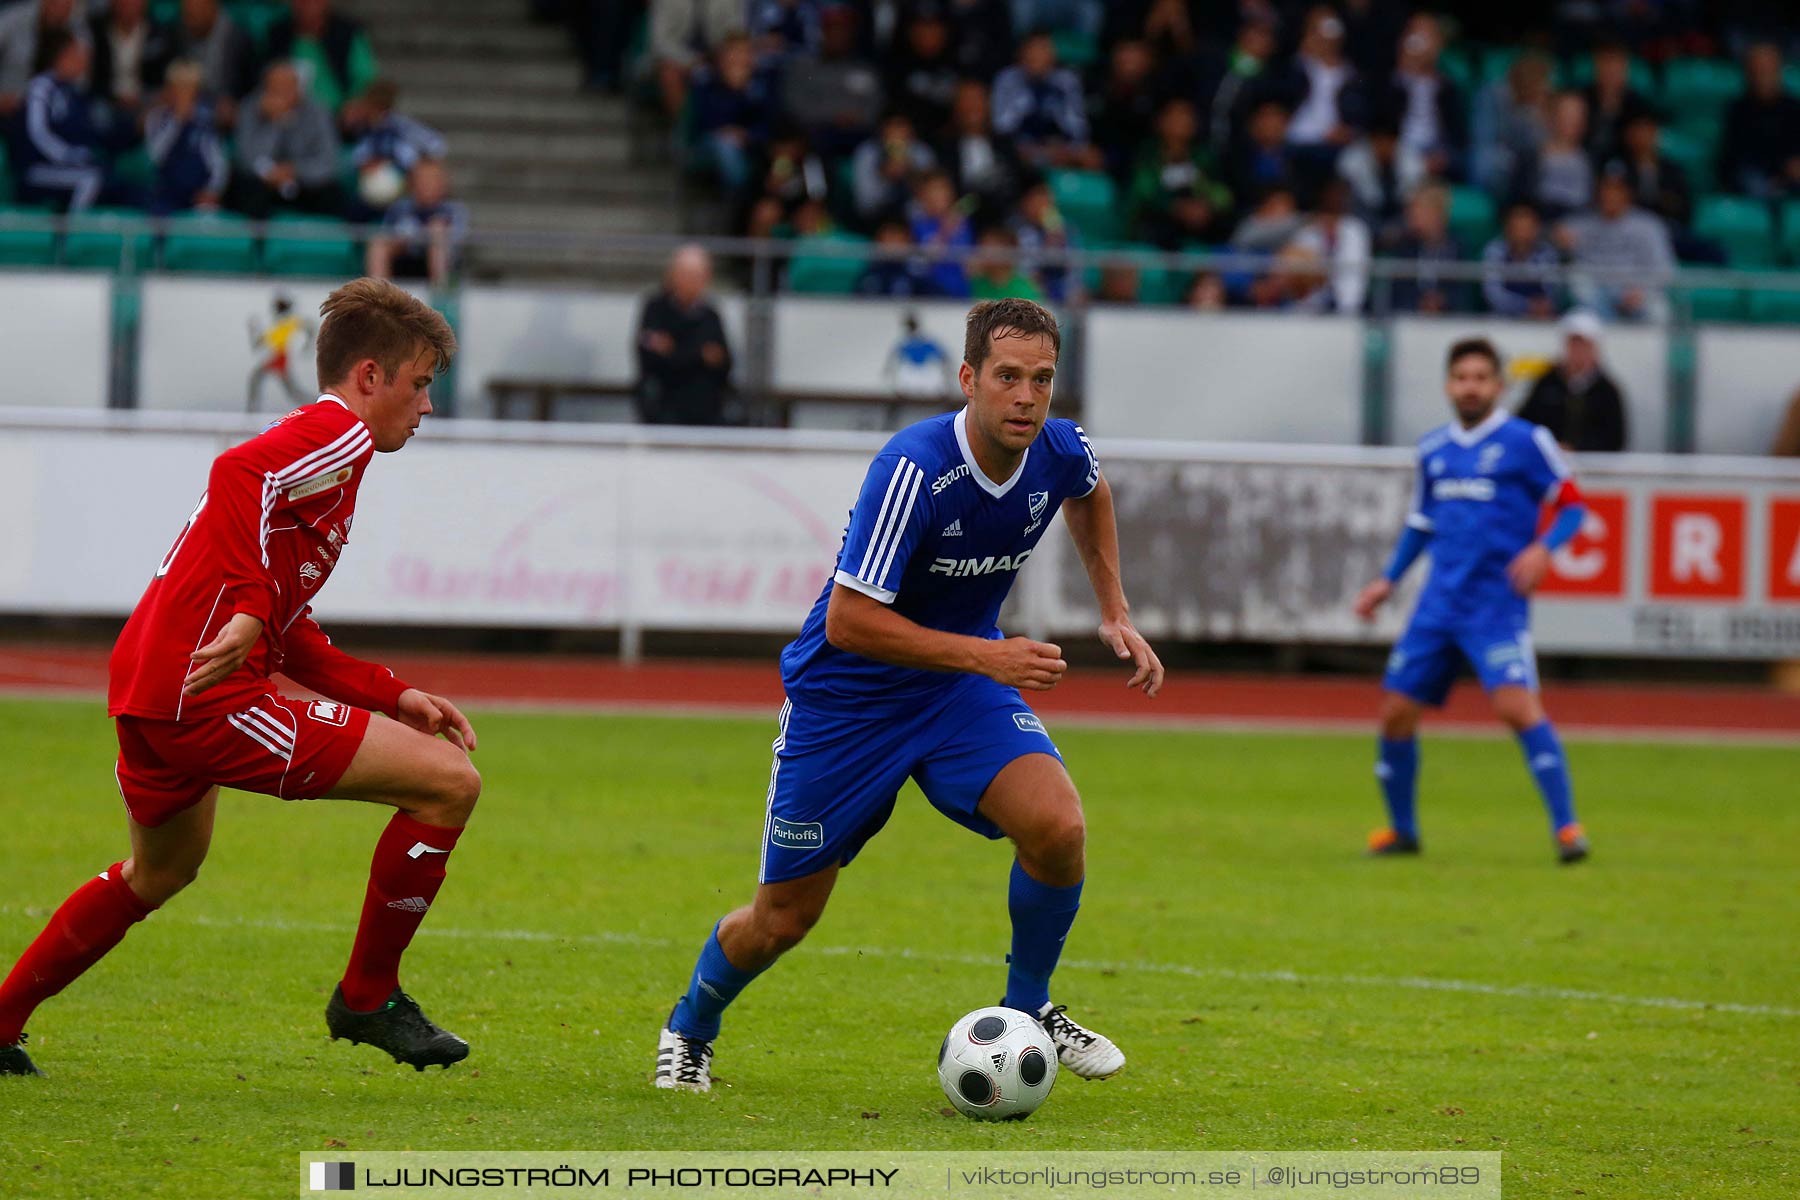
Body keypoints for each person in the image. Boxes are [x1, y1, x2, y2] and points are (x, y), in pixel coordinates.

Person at [652, 298, 1164, 1092]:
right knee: (782, 920)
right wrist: (988, 658)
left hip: (957, 691)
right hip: (847, 704)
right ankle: (691, 1026)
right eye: (1006, 378)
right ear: (968, 379)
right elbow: (852, 622)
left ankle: (1028, 1011)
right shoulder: (914, 469)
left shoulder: (1061, 450)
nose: (1026, 396)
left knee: (1058, 828)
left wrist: (1114, 610)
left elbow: (1089, 491)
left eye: (1041, 379)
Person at [0, 280, 479, 1079]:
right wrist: (254, 605)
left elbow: (287, 625)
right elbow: (235, 474)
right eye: (421, 383)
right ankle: (366, 996)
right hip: (206, 696)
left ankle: (1, 1020)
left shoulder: (319, 458)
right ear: (369, 377)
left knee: (158, 872)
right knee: (448, 785)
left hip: (153, 690)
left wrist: (389, 691)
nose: (426, 406)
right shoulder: (339, 434)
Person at [1353, 337, 1591, 865]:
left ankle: (1568, 829)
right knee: (1395, 712)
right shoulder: (1433, 449)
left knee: (1515, 706)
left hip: (1494, 604)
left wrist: (1542, 548)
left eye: (1481, 377)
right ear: (1448, 385)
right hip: (1438, 605)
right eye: (1461, 377)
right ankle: (1403, 831)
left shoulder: (1527, 441)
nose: (1470, 386)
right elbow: (1421, 524)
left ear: (1498, 386)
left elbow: (1573, 507)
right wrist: (1387, 581)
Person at [228, 59, 345, 217]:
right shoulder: (250, 108)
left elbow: (328, 162)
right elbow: (246, 158)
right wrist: (273, 123)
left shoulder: (318, 112)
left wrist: (295, 170)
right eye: (275, 88)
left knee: (332, 194)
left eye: (288, 87)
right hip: (262, 183)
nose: (281, 94)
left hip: (303, 181)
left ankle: (324, 240)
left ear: (298, 87)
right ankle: (255, 240)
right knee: (244, 187)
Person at [1557, 165, 1674, 322]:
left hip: (1635, 291)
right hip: (1596, 294)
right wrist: (1562, 246)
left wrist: (1643, 291)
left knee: (1659, 309)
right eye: (1606, 188)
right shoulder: (1578, 224)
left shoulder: (1649, 226)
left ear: (1628, 194)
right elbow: (1563, 262)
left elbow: (1664, 269)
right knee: (1579, 285)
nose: (1610, 195)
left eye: (1617, 189)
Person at [634, 244, 734, 426]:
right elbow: (650, 359)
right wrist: (698, 355)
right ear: (673, 275)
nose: (692, 281)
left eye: (698, 276)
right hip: (664, 406)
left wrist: (675, 350)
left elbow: (723, 361)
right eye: (687, 274)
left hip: (705, 408)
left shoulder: (711, 315)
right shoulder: (656, 310)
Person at [1516, 310, 1627, 452]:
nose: (1578, 350)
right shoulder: (1546, 382)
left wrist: (1577, 448)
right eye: (1573, 343)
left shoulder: (1607, 391)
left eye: (1584, 344)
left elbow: (1614, 438)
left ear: (1595, 348)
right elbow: (1526, 422)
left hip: (1594, 467)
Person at [145, 58, 229, 213]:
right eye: (179, 87)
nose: (183, 93)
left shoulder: (207, 118)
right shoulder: (157, 117)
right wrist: (177, 121)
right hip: (166, 191)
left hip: (198, 192)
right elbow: (155, 156)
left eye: (188, 87)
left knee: (207, 218)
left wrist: (212, 190)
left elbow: (218, 163)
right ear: (170, 89)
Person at [365, 160, 467, 287]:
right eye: (422, 181)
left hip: (438, 261)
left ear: (442, 185)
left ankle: (440, 292)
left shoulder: (453, 210)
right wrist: (405, 238)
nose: (426, 186)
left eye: (431, 181)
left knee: (437, 231)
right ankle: (378, 293)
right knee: (379, 242)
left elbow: (457, 242)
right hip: (404, 257)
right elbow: (387, 234)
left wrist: (427, 235)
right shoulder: (400, 207)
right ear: (413, 184)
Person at [1481, 202, 1561, 319]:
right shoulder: (1494, 251)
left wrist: (1543, 305)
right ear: (1507, 228)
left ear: (1536, 228)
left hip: (1540, 317)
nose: (1522, 234)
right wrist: (1526, 305)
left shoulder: (1547, 253)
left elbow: (1553, 290)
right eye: (1518, 228)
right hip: (1503, 318)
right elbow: (1493, 294)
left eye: (1527, 228)